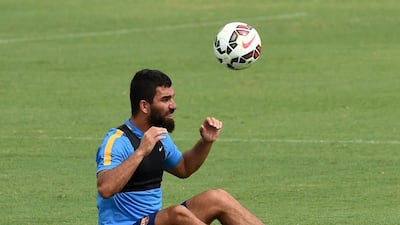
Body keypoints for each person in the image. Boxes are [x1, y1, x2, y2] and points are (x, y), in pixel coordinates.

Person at [95, 69, 265, 225]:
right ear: (144, 106)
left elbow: (183, 167)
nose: (173, 105)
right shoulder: (118, 141)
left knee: (217, 197)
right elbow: (105, 188)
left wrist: (205, 142)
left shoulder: (159, 136)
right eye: (165, 99)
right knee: (176, 214)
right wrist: (140, 152)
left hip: (153, 221)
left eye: (172, 97)